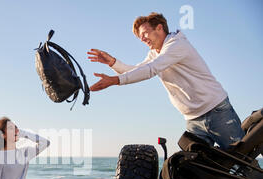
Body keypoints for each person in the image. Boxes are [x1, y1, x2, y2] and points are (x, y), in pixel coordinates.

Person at [88, 12, 244, 150]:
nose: (142, 39)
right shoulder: (155, 53)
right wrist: (112, 62)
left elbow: (151, 70)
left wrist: (114, 81)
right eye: (139, 37)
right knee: (196, 170)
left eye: (145, 33)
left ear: (159, 28)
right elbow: (136, 70)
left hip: (217, 111)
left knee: (242, 163)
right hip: (193, 120)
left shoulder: (177, 44)